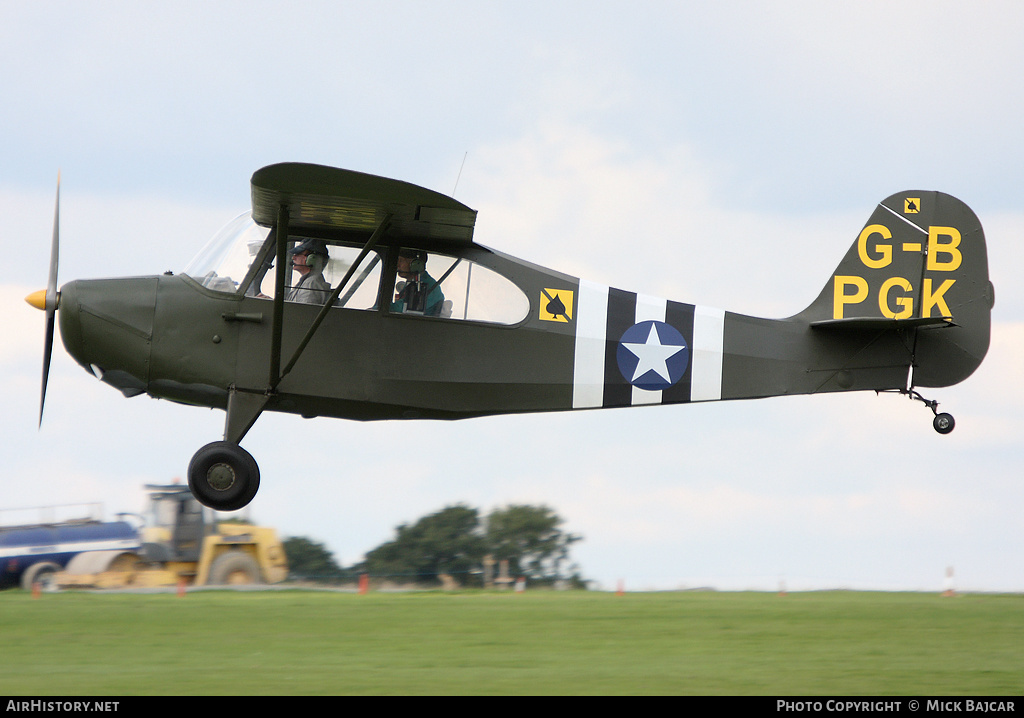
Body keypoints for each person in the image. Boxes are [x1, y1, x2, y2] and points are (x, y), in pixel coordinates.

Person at [391, 249, 445, 316]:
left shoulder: (423, 286)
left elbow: (396, 310)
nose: (397, 265)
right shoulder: (413, 283)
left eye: (401, 260)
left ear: (416, 264)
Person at [287, 239, 332, 304]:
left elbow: (304, 312)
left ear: (312, 258)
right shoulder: (307, 281)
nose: (293, 258)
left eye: (298, 254)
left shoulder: (311, 284)